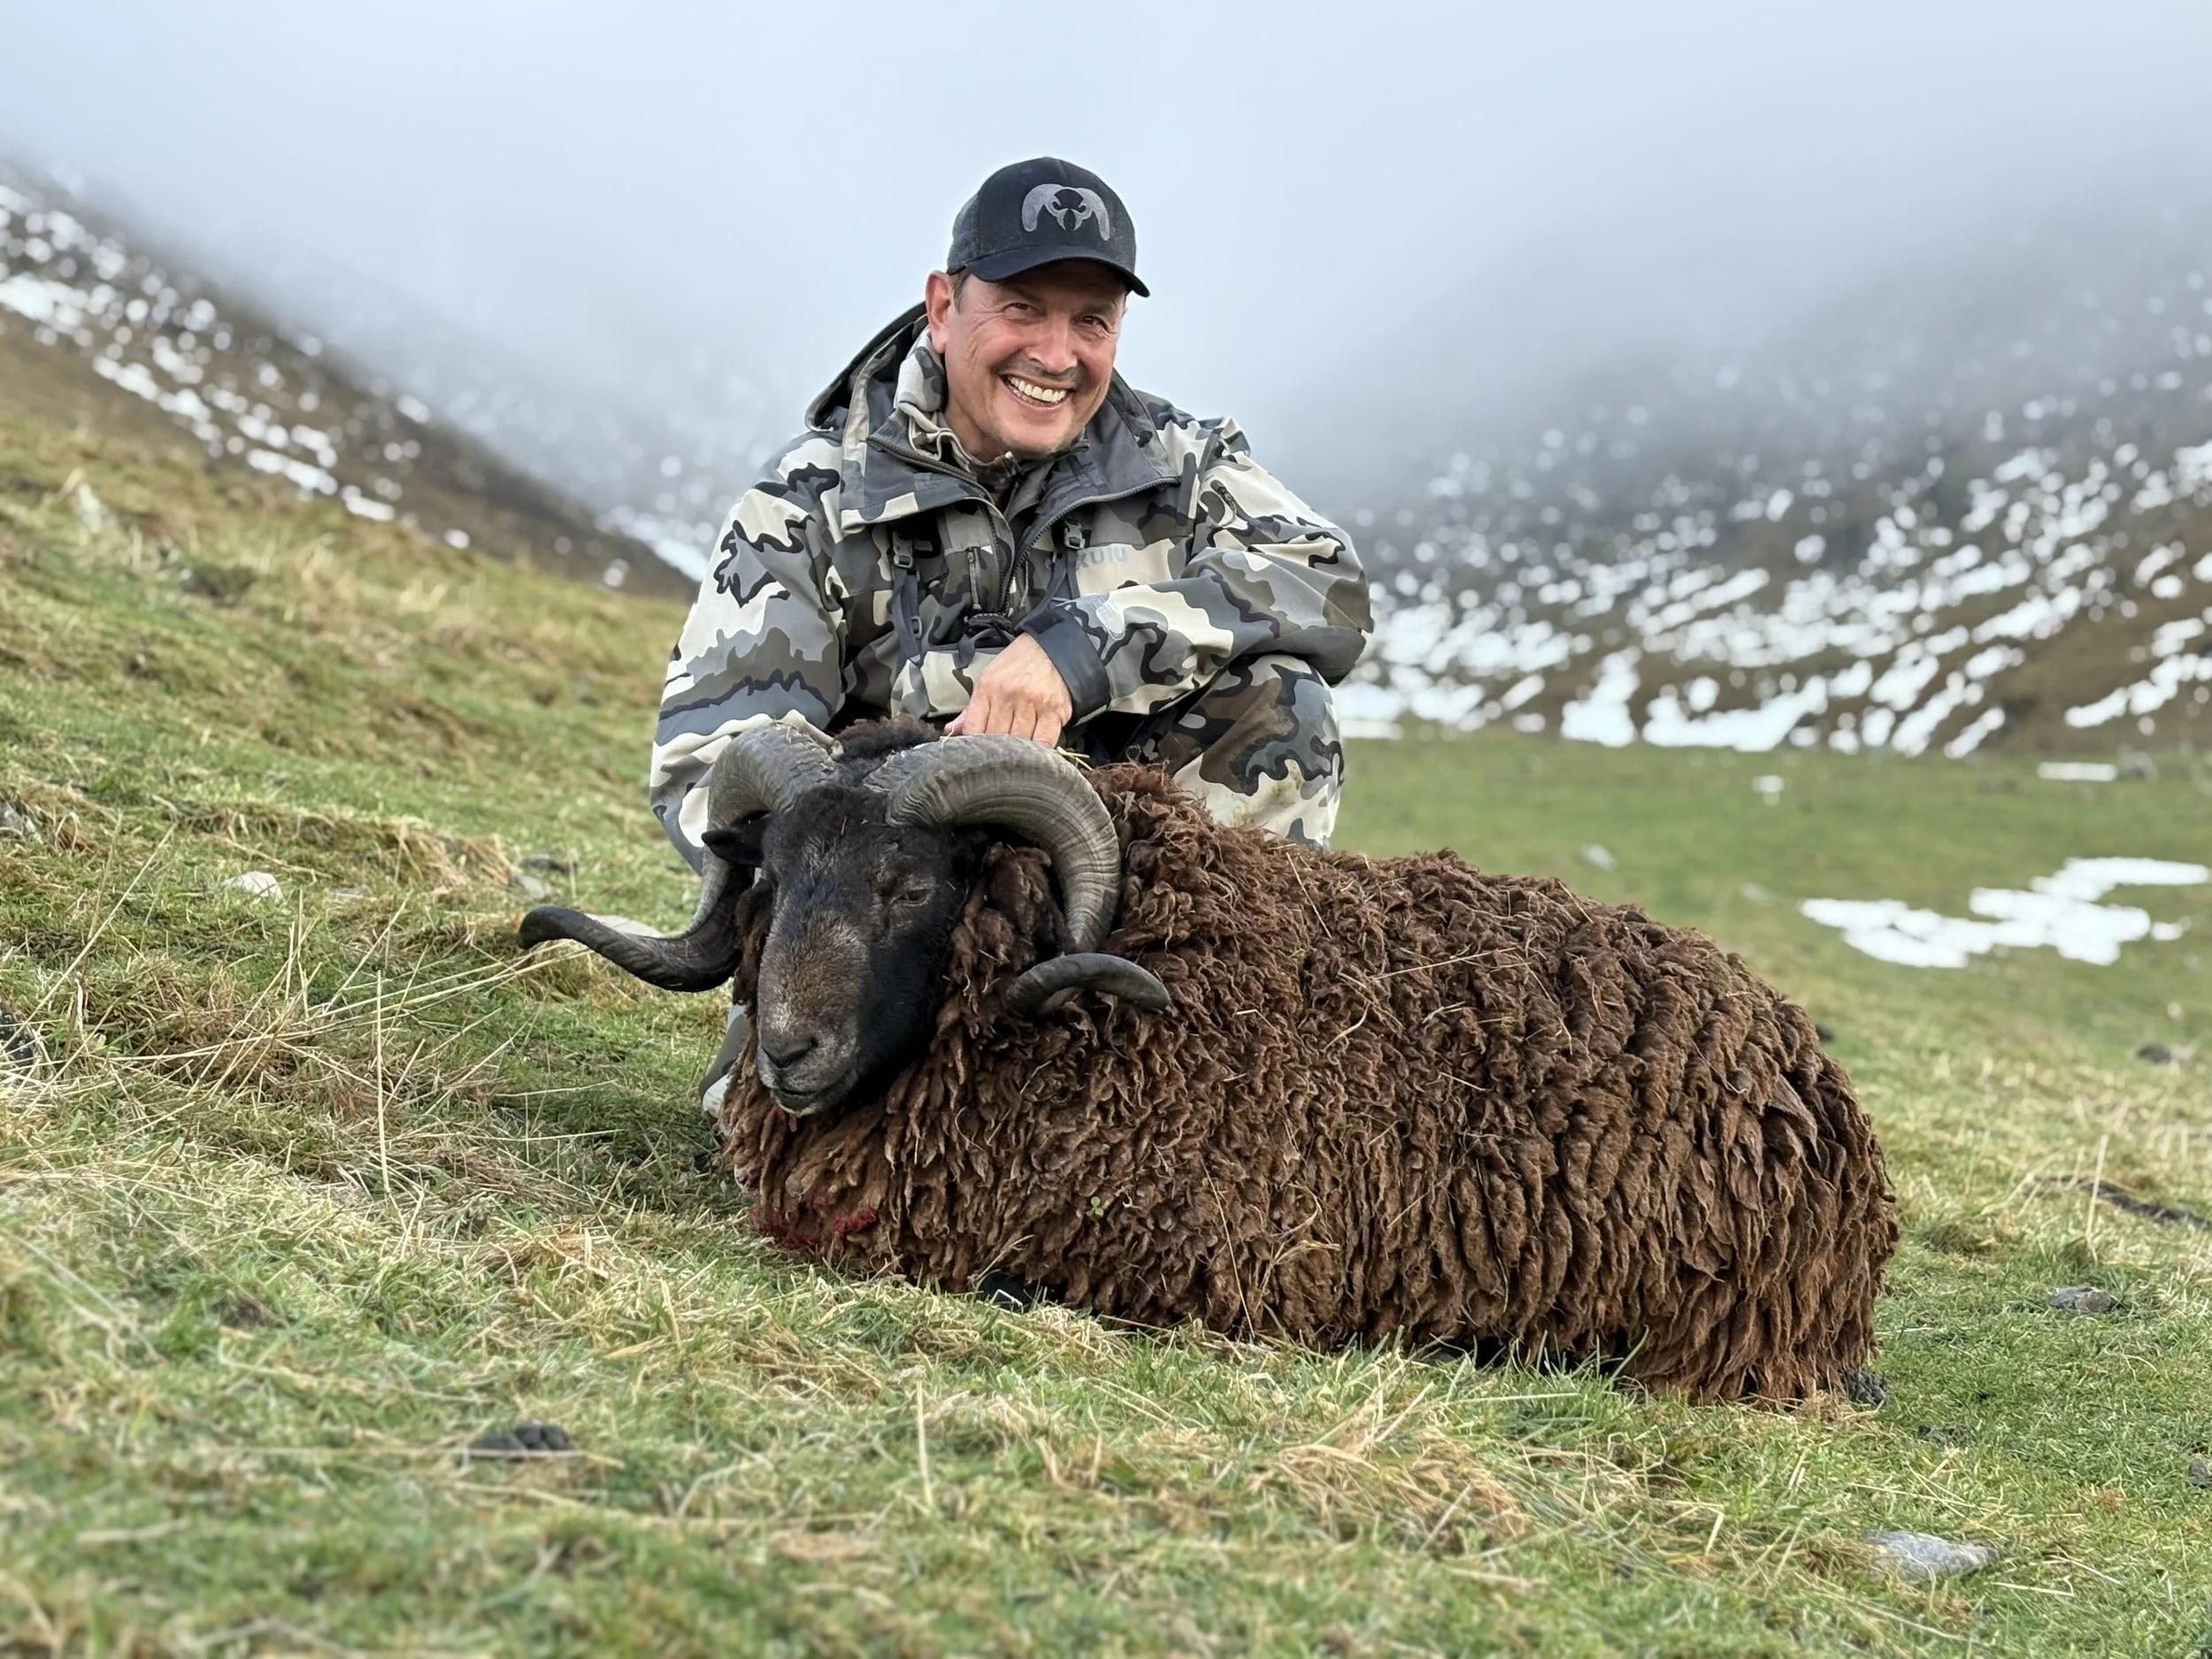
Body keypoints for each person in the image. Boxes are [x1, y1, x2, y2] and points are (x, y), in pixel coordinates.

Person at [653, 158, 1373, 1109]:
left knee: (1283, 700)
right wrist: (885, 826)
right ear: (943, 306)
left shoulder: (1184, 465)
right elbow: (710, 766)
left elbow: (1327, 582)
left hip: (1108, 912)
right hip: (884, 924)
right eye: (1022, 309)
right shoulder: (809, 501)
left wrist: (1082, 654)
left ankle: (1206, 1050)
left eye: (1092, 321)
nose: (1056, 353)